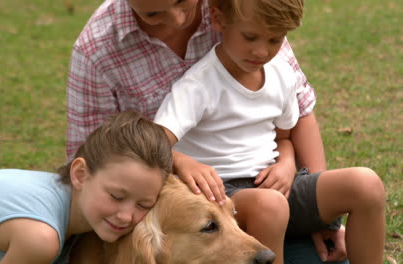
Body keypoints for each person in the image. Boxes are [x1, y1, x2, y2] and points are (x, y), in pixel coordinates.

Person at [65, 0, 347, 262]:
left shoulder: (240, 8)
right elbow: (92, 161)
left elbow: (299, 111)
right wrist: (176, 160)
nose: (177, 19)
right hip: (176, 220)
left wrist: (320, 218)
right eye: (153, 14)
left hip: (264, 197)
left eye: (181, 1)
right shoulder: (96, 50)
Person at [153, 0, 386, 263]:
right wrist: (184, 162)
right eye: (250, 37)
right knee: (270, 206)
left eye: (275, 40)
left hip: (276, 183)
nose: (262, 51)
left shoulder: (282, 75)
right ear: (219, 20)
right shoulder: (197, 86)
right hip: (222, 195)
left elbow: (284, 138)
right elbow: (154, 143)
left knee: (366, 184)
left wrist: (286, 164)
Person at [0, 111, 173, 264]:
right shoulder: (40, 238)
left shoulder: (61, 197)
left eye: (143, 205)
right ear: (80, 174)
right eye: (116, 196)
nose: (125, 216)